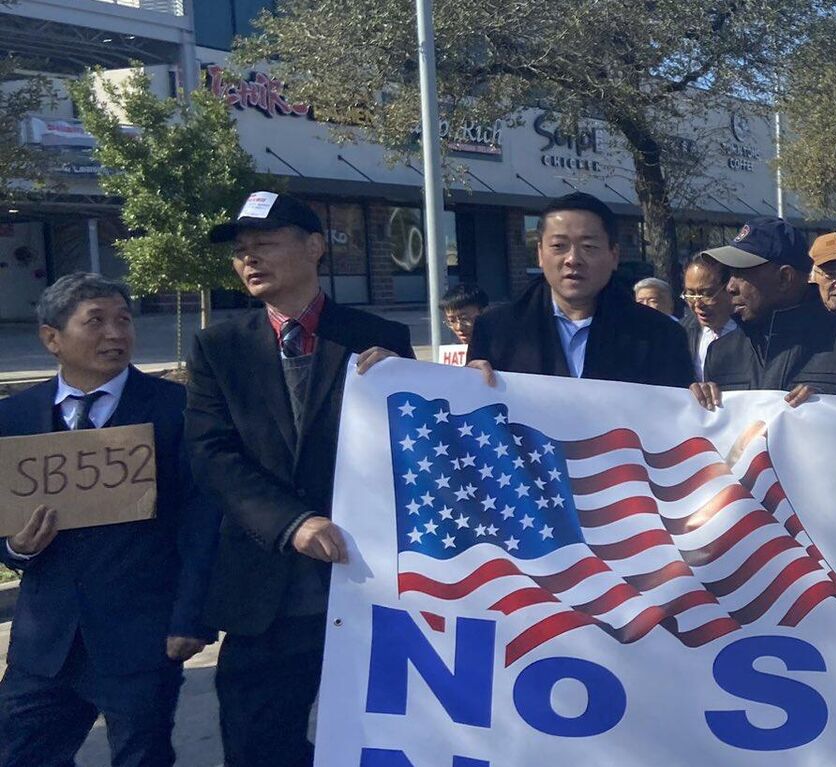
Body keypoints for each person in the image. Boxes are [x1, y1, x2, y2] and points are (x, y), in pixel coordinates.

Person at [187, 191, 413, 766]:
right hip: (266, 584)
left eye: (265, 243)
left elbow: (417, 452)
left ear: (315, 247)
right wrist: (293, 523)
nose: (250, 259)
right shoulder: (220, 347)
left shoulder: (377, 339)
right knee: (258, 741)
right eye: (240, 251)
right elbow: (212, 454)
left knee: (378, 739)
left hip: (369, 581)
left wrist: (408, 389)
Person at [0, 273, 218, 767]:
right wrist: (17, 549)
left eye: (123, 321)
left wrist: (190, 618)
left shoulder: (177, 411)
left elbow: (202, 523)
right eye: (95, 322)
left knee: (142, 758)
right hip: (45, 644)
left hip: (142, 637)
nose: (115, 334)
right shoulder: (13, 419)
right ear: (51, 338)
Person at [465, 193, 695, 386]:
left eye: (588, 247)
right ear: (539, 254)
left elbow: (677, 424)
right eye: (558, 246)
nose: (572, 259)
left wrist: (701, 403)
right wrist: (464, 384)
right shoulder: (496, 330)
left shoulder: (661, 334)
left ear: (613, 255)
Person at [690, 217, 836, 408]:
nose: (730, 287)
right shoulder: (720, 353)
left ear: (785, 278)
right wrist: (696, 406)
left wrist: (829, 407)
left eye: (742, 273)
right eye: (729, 274)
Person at [679, 255, 737, 382]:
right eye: (691, 294)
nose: (697, 304)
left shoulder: (755, 332)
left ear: (730, 288)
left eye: (707, 294)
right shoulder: (681, 332)